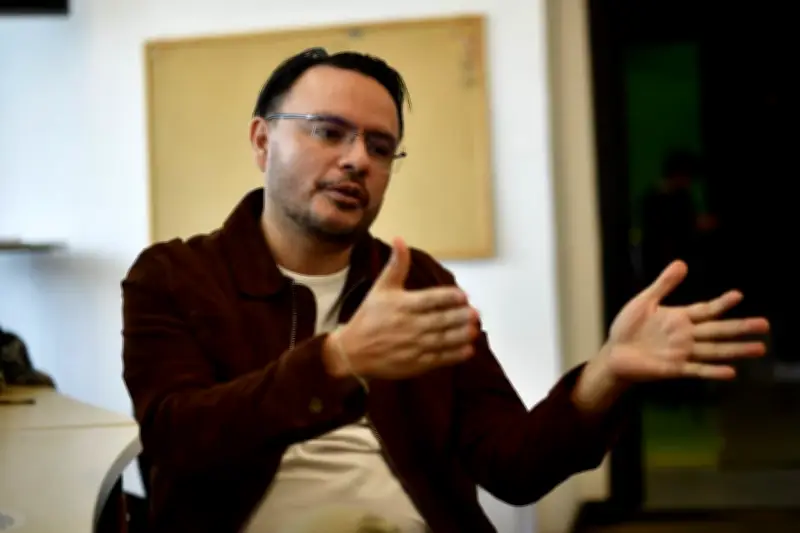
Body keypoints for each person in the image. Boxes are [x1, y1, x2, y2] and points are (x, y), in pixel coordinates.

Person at [121, 48, 769, 533]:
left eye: (381, 146)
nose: (357, 159)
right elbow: (178, 438)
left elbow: (512, 466)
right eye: (327, 131)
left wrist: (605, 374)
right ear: (263, 141)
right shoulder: (175, 275)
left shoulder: (419, 281)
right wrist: (336, 361)